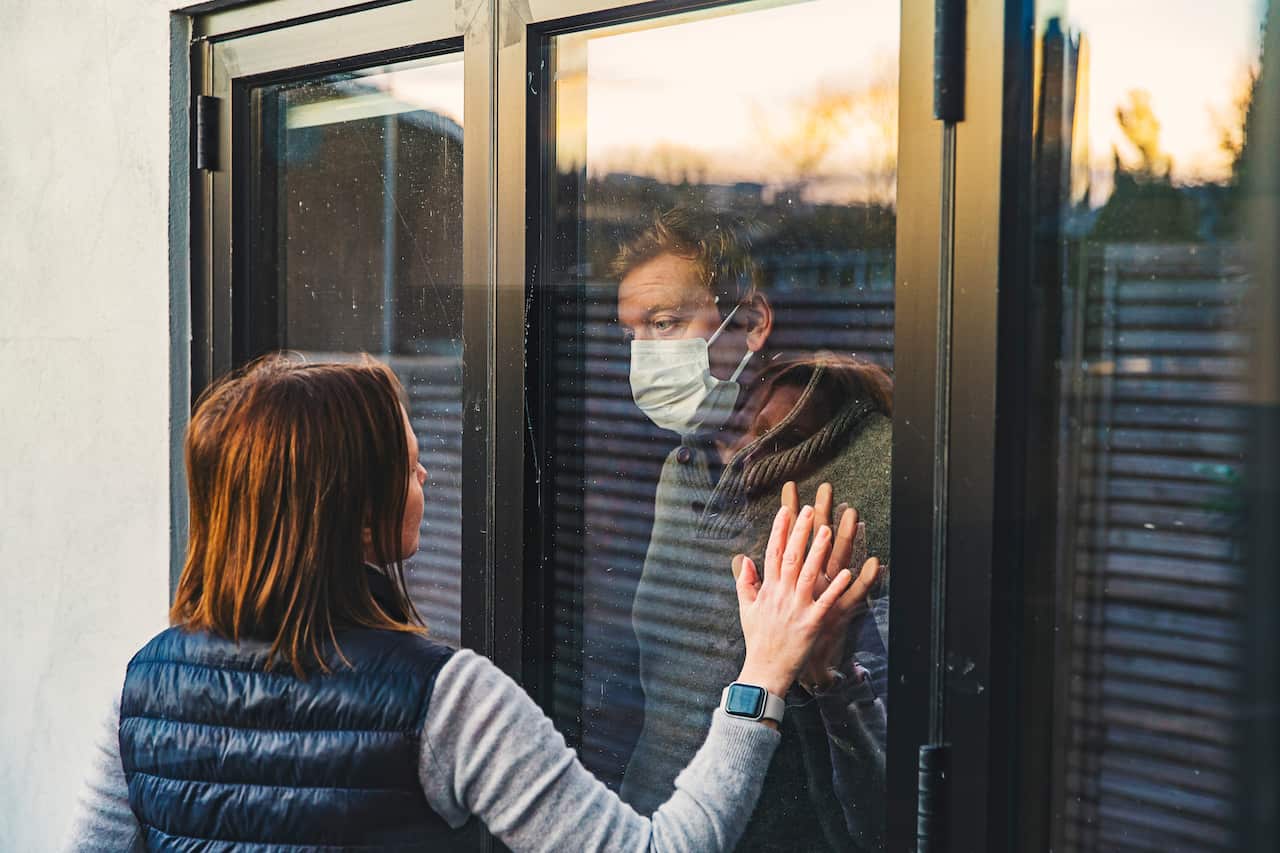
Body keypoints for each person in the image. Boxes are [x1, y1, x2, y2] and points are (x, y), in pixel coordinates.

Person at [64, 354, 874, 852]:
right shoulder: (444, 698)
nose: (426, 478)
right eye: (408, 463)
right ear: (350, 503)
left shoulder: (141, 689)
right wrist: (763, 673)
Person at [613, 207, 893, 851]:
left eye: (665, 324)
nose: (647, 356)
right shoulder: (681, 473)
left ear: (752, 324)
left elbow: (900, 732)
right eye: (634, 335)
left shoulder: (872, 470)